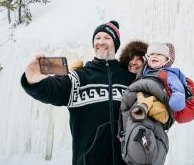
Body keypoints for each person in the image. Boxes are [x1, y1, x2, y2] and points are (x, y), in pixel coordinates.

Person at [20, 20, 136, 165]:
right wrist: (33, 80)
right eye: (97, 38)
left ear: (116, 43)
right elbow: (54, 88)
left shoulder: (129, 78)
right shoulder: (79, 77)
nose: (101, 41)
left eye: (107, 38)